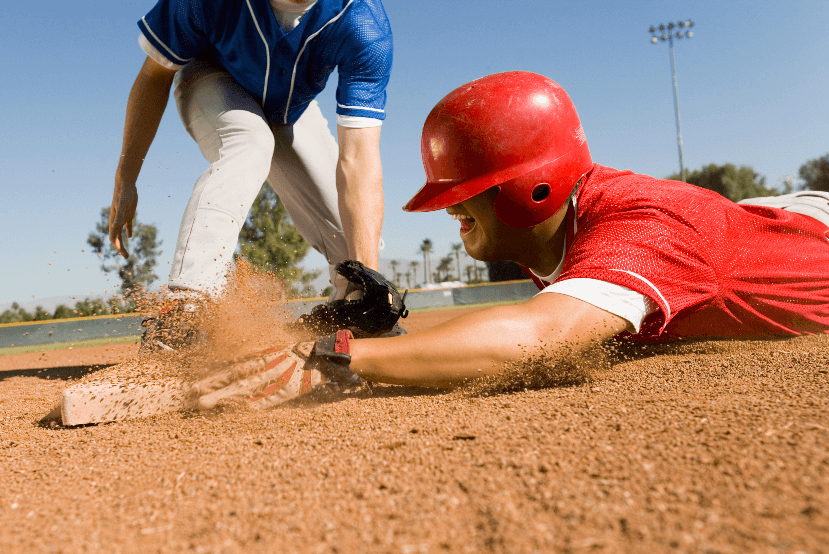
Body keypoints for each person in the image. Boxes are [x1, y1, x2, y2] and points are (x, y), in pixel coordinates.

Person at [186, 71, 829, 409]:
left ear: (535, 189)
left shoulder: (640, 229)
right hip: (758, 222)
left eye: (464, 195)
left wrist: (331, 356)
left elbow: (533, 336)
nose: (449, 212)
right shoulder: (572, 226)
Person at [109, 0, 393, 350]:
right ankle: (185, 309)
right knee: (249, 141)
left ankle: (346, 316)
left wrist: (367, 282)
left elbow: (359, 157)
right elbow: (154, 75)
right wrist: (126, 178)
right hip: (211, 78)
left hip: (291, 109)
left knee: (356, 246)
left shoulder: (362, 20)